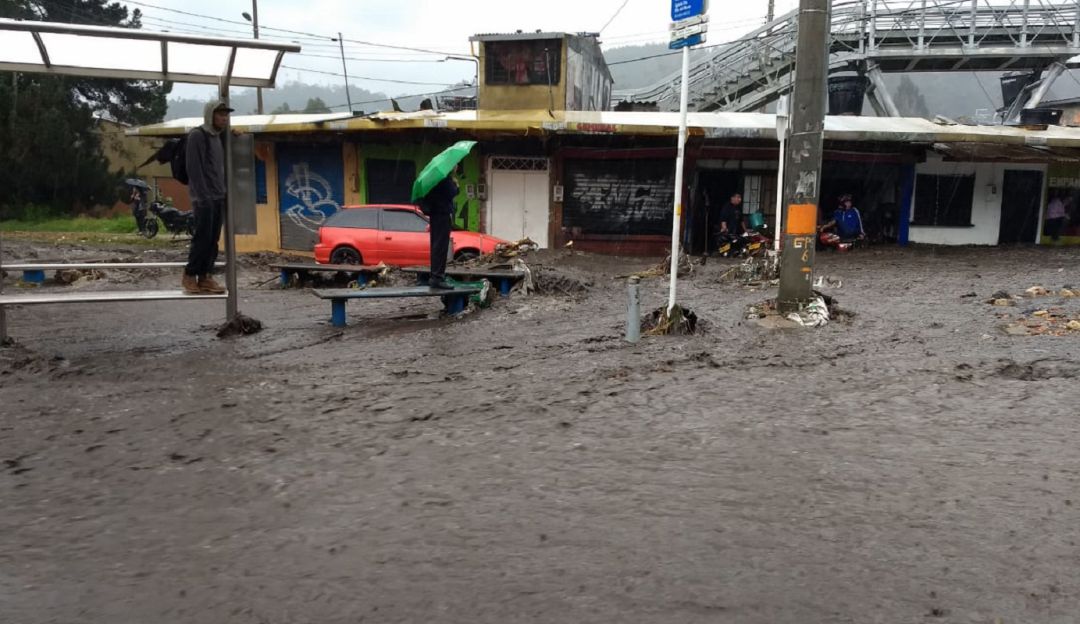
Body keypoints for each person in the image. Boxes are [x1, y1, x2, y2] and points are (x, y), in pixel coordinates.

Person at [182, 100, 233, 294]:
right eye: (220, 114)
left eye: (226, 115)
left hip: (218, 195)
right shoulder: (198, 135)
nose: (224, 118)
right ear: (210, 115)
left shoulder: (217, 137)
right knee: (202, 238)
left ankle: (205, 276)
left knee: (213, 240)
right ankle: (189, 274)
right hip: (204, 197)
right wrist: (203, 196)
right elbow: (194, 169)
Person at [420, 170, 459, 289]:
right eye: (455, 166)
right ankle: (437, 277)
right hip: (441, 215)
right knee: (440, 247)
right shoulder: (444, 180)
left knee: (437, 245)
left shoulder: (435, 179)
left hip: (436, 215)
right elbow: (452, 192)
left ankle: (435, 276)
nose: (457, 167)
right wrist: (456, 184)